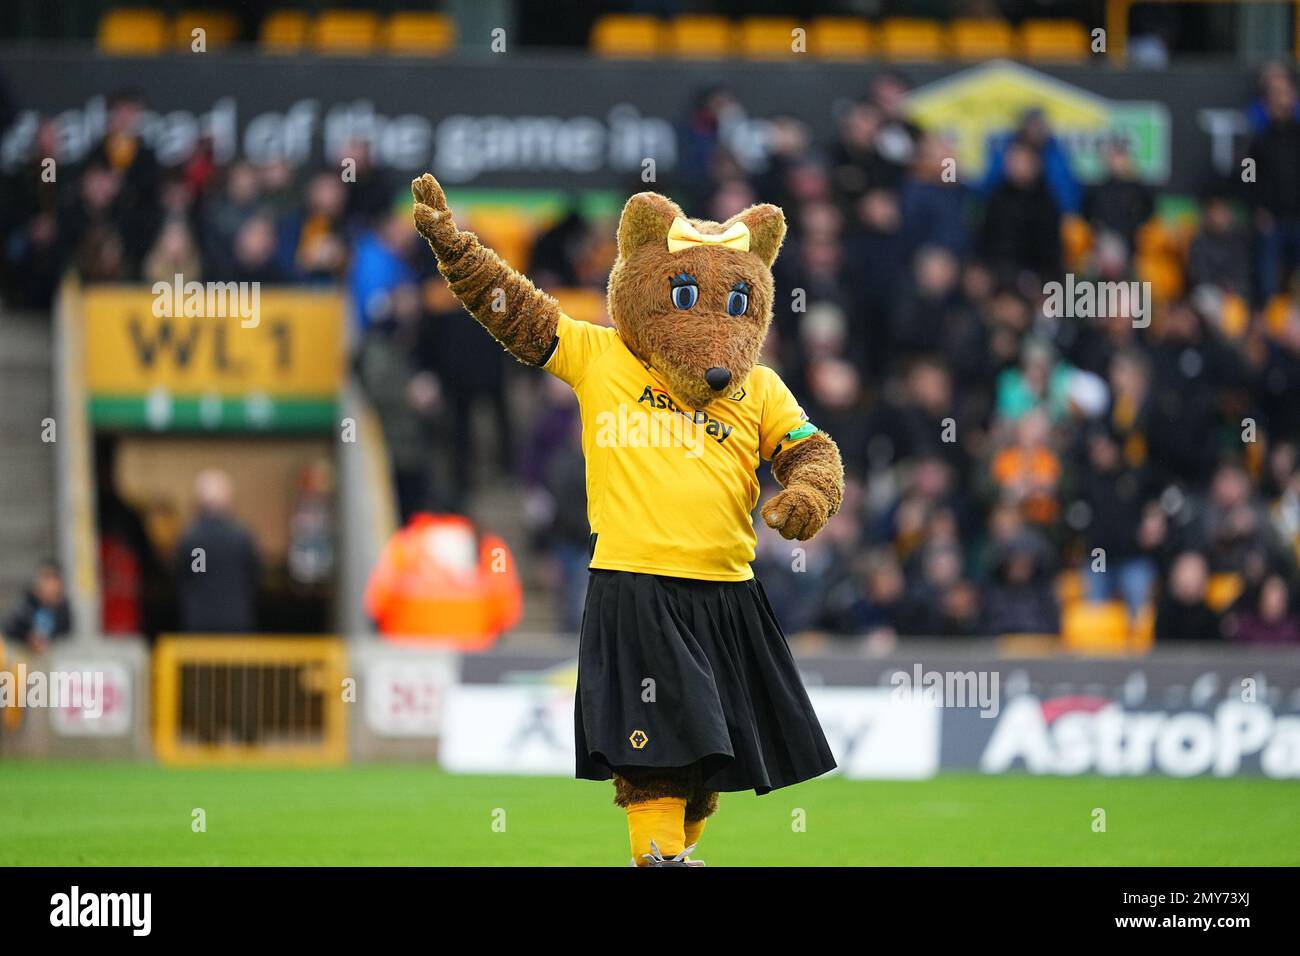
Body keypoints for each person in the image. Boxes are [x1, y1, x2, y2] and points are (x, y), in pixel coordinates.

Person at [175, 470, 260, 633]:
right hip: (237, 621)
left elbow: (193, 576)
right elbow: (254, 577)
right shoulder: (241, 537)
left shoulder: (195, 539)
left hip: (201, 622)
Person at [3, 560, 72, 652]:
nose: (49, 584)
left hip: (51, 659)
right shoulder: (27, 605)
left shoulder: (63, 609)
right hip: (24, 657)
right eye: (46, 578)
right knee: (21, 666)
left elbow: (67, 634)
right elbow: (10, 630)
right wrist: (28, 638)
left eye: (54, 579)